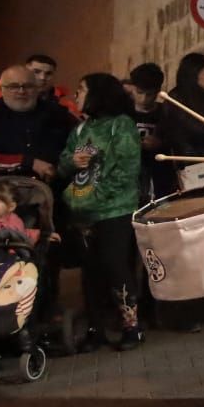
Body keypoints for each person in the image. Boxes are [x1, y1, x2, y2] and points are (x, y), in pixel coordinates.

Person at [59, 73, 144, 352]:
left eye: (81, 90)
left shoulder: (121, 125)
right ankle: (96, 329)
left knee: (116, 267)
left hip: (115, 210)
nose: (77, 96)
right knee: (91, 272)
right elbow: (62, 166)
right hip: (84, 213)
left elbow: (127, 170)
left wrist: (99, 195)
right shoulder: (80, 130)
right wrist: (72, 162)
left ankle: (131, 327)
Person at [0, 65, 79, 181]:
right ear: (1, 90)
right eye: (13, 86)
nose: (21, 91)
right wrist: (28, 163)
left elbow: (83, 142)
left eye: (28, 86)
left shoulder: (60, 114)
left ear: (37, 89)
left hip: (54, 186)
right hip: (0, 188)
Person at [127, 63, 178, 202]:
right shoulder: (123, 113)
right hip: (129, 179)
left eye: (149, 94)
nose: (143, 99)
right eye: (139, 93)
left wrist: (160, 144)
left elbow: (177, 143)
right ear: (132, 88)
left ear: (158, 92)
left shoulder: (167, 114)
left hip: (160, 180)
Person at [0, 54, 82, 116]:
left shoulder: (64, 104)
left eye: (48, 74)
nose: (42, 77)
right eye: (36, 72)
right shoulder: (3, 92)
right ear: (25, 71)